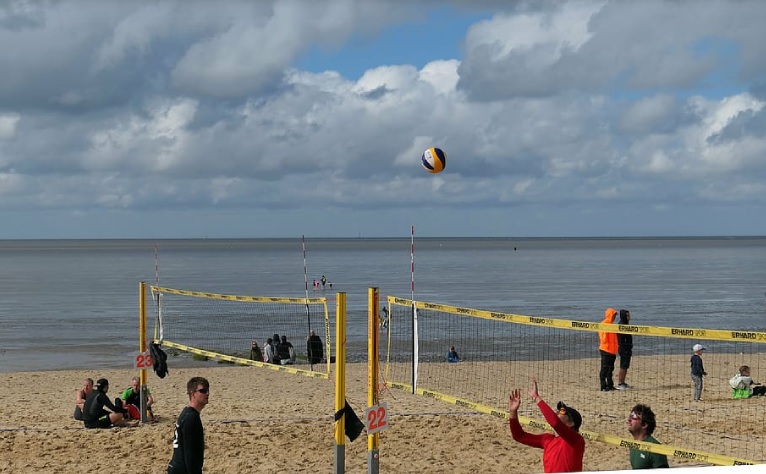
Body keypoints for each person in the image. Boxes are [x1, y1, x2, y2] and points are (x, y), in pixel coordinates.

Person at [508, 378, 585, 472]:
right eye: (558, 410)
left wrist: (537, 398)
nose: (558, 412)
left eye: (562, 411)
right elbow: (519, 436)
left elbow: (555, 422)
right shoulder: (547, 440)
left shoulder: (576, 440)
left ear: (571, 423)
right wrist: (513, 412)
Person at [167, 376, 210, 474]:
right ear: (193, 394)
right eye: (203, 391)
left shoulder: (187, 413)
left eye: (207, 390)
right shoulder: (191, 418)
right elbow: (190, 454)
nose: (207, 393)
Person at [627, 403, 670, 469]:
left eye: (634, 417)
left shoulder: (656, 449)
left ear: (644, 425)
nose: (629, 420)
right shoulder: (633, 445)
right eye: (630, 416)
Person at [599, 307, 619, 391]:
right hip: (606, 350)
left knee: (610, 369)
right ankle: (603, 386)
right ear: (610, 315)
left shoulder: (612, 325)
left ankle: (610, 385)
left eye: (615, 316)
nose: (614, 317)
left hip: (612, 351)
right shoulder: (604, 324)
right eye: (614, 315)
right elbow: (603, 338)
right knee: (604, 369)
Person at [616, 309, 633, 390]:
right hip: (623, 349)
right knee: (623, 366)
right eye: (627, 315)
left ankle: (623, 382)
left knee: (625, 366)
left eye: (629, 315)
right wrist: (625, 349)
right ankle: (620, 383)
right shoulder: (621, 325)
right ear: (624, 316)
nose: (629, 317)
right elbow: (621, 340)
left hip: (627, 348)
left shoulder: (626, 324)